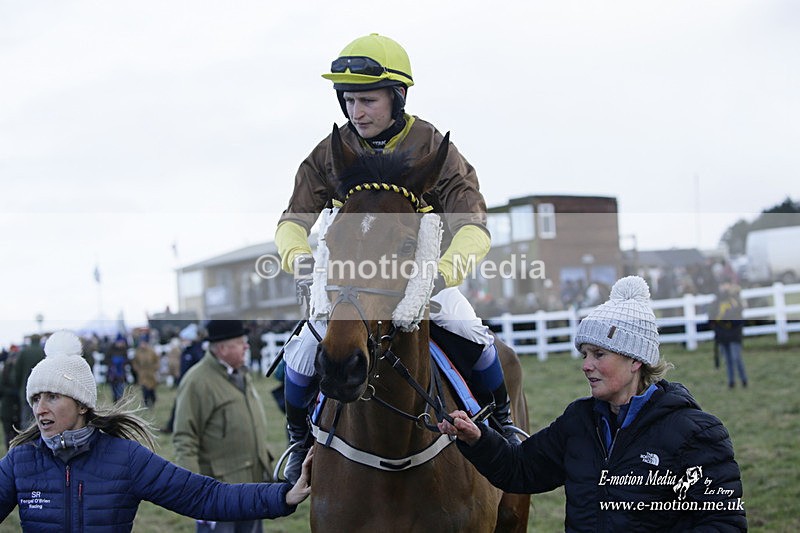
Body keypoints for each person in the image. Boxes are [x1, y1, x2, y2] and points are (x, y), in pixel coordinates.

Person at [274, 32, 519, 483]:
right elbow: (292, 221)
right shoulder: (328, 153)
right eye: (348, 101)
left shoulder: (434, 149)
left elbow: (473, 228)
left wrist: (442, 274)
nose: (356, 112)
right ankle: (298, 440)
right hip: (351, 282)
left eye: (367, 100)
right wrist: (299, 259)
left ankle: (503, 423)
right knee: (303, 351)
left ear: (397, 96)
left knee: (473, 334)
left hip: (424, 283)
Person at [438, 276, 747, 531]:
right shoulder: (579, 423)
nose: (586, 365)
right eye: (584, 354)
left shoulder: (696, 434)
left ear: (635, 360)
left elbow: (724, 523)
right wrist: (478, 439)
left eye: (599, 354)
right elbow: (520, 469)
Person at [0, 330, 312, 531]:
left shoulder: (124, 459)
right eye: (36, 398)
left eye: (52, 397)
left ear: (82, 404)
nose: (40, 409)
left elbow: (205, 496)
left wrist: (284, 495)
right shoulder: (19, 462)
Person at [173, 320, 277, 533]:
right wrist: (194, 494)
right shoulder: (197, 381)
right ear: (222, 349)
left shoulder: (241, 373)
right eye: (241, 342)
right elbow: (185, 438)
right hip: (218, 492)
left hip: (253, 485)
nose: (247, 346)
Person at [709, 280, 748, 388]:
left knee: (736, 357)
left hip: (734, 334)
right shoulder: (716, 301)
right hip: (722, 334)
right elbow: (712, 316)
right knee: (728, 359)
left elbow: (739, 314)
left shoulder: (735, 299)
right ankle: (731, 382)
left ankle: (743, 379)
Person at [12, 334, 45, 428]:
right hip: (43, 389)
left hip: (26, 390)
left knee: (26, 421)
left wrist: (20, 387)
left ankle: (27, 440)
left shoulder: (24, 352)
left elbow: (16, 373)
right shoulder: (43, 352)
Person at [0, 346, 21, 450]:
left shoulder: (6, 370)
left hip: (10, 407)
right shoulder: (8, 371)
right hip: (10, 407)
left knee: (12, 433)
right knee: (11, 433)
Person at [132, 334, 160, 407]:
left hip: (151, 374)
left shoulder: (152, 352)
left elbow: (157, 361)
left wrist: (155, 368)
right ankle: (147, 404)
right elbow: (135, 362)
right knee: (144, 390)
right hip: (142, 374)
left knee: (151, 390)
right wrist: (137, 369)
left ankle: (153, 401)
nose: (142, 345)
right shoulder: (138, 352)